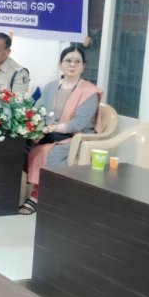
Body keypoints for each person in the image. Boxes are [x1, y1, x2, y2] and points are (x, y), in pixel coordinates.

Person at [21, 46, 102, 215]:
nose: (72, 64)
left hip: (76, 137)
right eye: (68, 60)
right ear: (60, 64)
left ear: (83, 66)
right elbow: (38, 111)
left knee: (50, 153)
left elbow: (78, 124)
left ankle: (38, 196)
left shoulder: (90, 92)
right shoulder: (51, 87)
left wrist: (50, 128)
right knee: (21, 147)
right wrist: (38, 129)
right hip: (48, 134)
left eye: (77, 61)